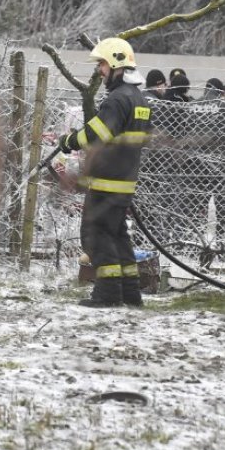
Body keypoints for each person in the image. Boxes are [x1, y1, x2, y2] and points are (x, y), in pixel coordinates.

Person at [57, 37, 153, 308]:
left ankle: (108, 295)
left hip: (106, 180)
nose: (99, 70)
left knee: (96, 235)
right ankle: (130, 294)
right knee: (118, 236)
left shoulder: (117, 99)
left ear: (116, 64)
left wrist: (69, 141)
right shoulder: (139, 99)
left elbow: (96, 133)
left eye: (102, 64)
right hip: (124, 180)